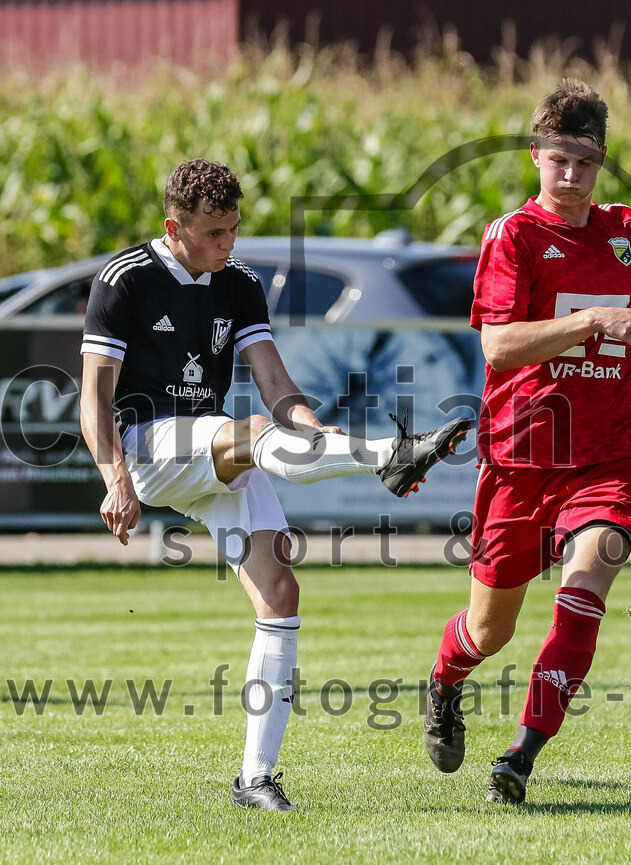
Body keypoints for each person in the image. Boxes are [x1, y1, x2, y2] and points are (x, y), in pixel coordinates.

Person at [79, 158, 471, 812]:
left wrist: (312, 433)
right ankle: (390, 454)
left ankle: (255, 779)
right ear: (174, 227)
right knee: (250, 432)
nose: (227, 243)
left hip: (213, 453)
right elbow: (94, 396)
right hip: (148, 446)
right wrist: (115, 476)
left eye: (234, 229)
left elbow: (276, 382)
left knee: (280, 592)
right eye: (214, 233)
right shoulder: (125, 279)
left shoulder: (239, 283)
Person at [422, 80, 631, 803]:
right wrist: (591, 321)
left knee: (584, 587)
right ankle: (444, 680)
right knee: (488, 631)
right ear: (536, 155)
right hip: (523, 457)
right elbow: (498, 346)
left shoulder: (624, 231)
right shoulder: (514, 236)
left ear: (601, 162)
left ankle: (520, 755)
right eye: (560, 160)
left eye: (585, 162)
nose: (572, 175)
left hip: (610, 454)